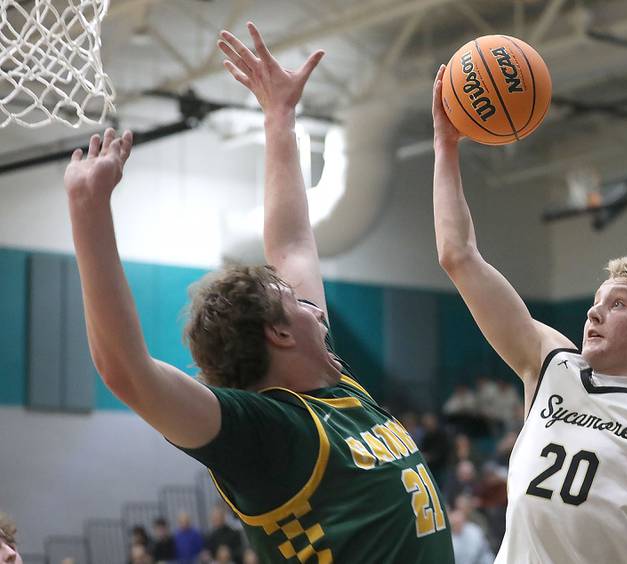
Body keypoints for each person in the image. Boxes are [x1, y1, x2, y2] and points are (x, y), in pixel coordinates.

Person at [64, 21, 452, 564]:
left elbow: (292, 243)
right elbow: (125, 371)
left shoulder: (339, 395)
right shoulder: (268, 433)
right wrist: (88, 211)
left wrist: (279, 118)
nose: (317, 311)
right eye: (300, 305)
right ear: (278, 333)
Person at [430, 65, 627, 564]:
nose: (594, 313)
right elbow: (458, 256)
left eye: (617, 304)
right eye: (595, 303)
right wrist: (446, 147)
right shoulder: (551, 362)